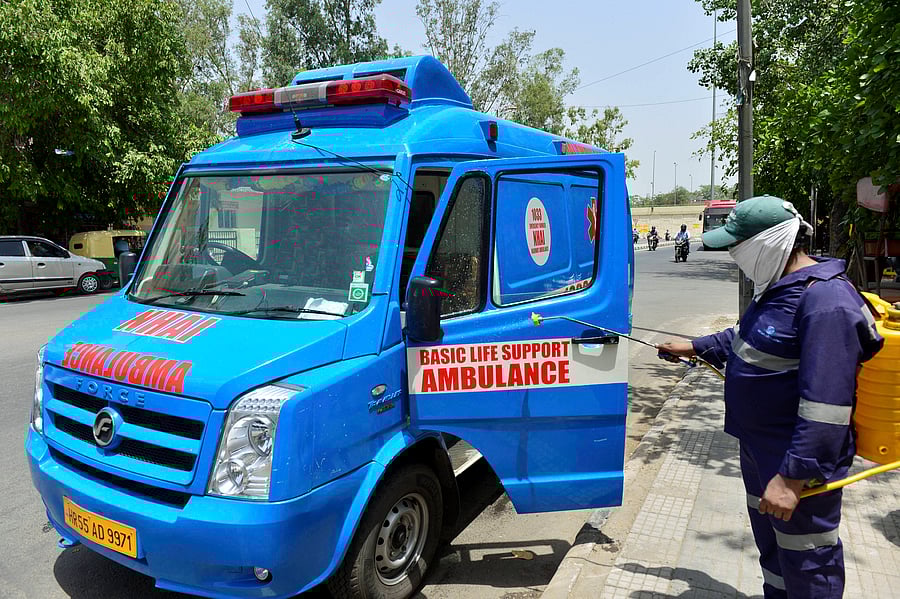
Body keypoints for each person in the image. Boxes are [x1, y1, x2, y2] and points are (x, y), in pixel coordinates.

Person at [658, 196, 883, 599]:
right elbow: (746, 337)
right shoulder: (778, 289)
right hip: (760, 452)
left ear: (768, 242)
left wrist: (793, 478)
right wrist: (695, 346)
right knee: (775, 553)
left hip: (794, 462)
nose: (732, 254)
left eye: (737, 245)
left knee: (808, 558)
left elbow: (827, 407)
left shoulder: (825, 303)